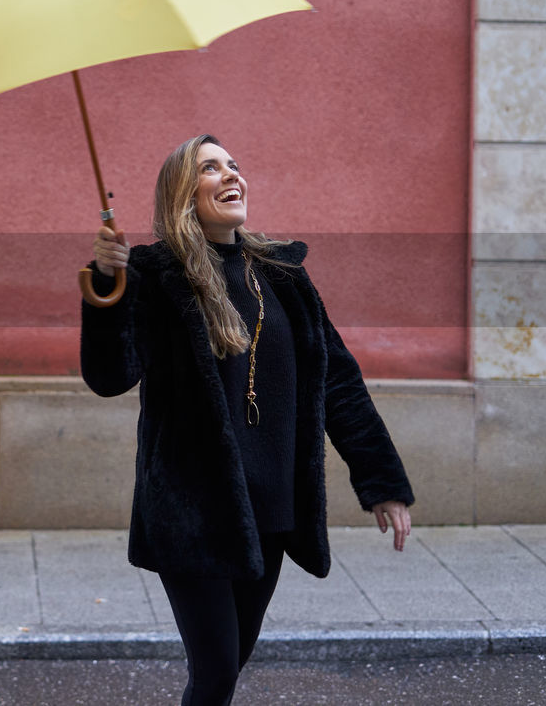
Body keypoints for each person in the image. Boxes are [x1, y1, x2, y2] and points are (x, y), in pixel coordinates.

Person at [80, 134, 414, 705]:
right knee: (213, 673)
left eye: (234, 165)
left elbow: (338, 381)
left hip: (272, 509)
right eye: (210, 168)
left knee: (228, 671)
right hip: (193, 512)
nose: (231, 175)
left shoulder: (283, 276)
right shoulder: (156, 276)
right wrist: (107, 288)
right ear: (183, 192)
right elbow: (110, 376)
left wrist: (382, 482)